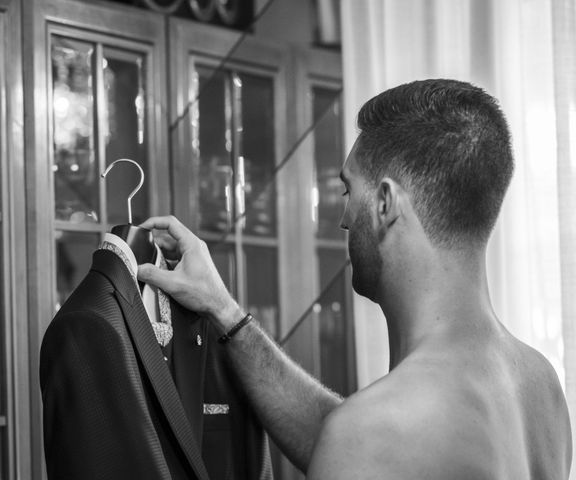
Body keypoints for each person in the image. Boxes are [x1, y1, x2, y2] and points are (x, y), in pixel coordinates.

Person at [138, 79, 572, 480]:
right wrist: (224, 311)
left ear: (385, 202)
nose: (344, 218)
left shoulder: (373, 432)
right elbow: (353, 437)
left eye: (349, 190)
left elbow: (360, 439)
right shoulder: (540, 386)